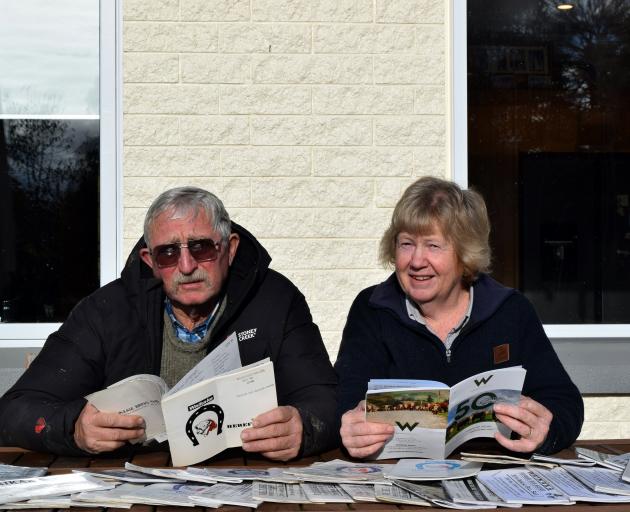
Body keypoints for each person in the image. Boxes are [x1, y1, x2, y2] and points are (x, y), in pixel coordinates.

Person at [0, 187, 337, 461]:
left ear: (230, 249)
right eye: (168, 254)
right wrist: (73, 428)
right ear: (150, 261)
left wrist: (303, 427)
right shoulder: (106, 311)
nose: (187, 265)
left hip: (246, 476)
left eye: (202, 248)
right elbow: (14, 411)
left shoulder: (276, 300)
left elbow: (327, 399)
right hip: (131, 486)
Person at [335, 176, 583, 458]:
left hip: (493, 478)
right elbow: (343, 401)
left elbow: (565, 403)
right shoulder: (372, 309)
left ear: (465, 254)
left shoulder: (511, 311)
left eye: (433, 245)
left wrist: (545, 431)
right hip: (395, 479)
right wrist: (349, 429)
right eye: (406, 244)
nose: (416, 261)